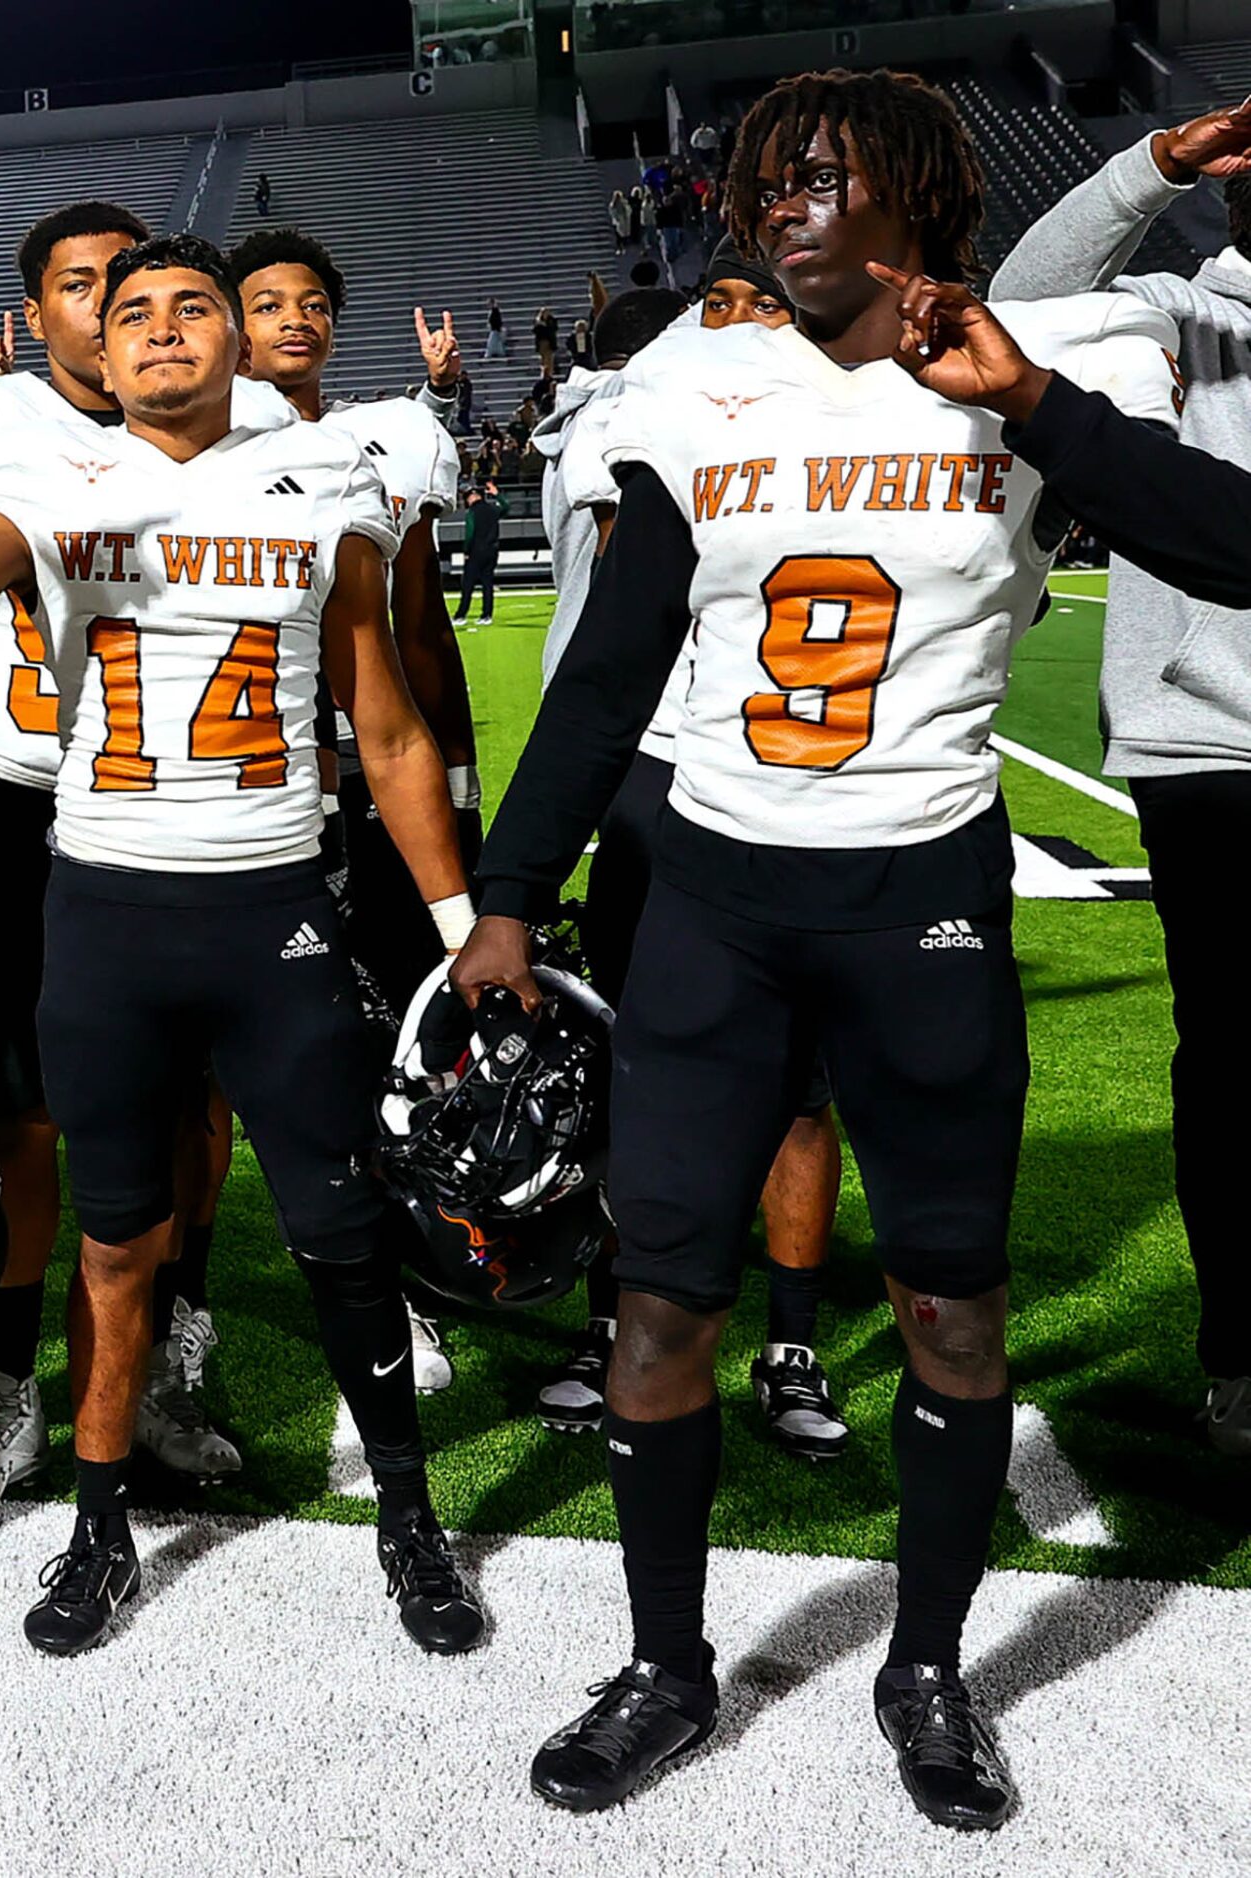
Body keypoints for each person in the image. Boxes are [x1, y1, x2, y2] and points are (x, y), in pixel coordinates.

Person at [457, 68, 1186, 1829]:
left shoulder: (1015, 371)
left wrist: (1040, 412)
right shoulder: (694, 378)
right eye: (763, 181)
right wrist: (506, 890)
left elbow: (1224, 546)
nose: (777, 205)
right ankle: (663, 1662)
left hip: (916, 900)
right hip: (714, 903)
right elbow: (615, 653)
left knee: (947, 1302)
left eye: (820, 179)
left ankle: (923, 1664)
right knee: (652, 1304)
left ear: (919, 196)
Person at [0, 244, 485, 1659]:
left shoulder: (322, 481)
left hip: (272, 905)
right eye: (128, 311)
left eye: (189, 307)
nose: (157, 331)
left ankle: (406, 1516)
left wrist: (456, 928)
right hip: (106, 914)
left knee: (335, 1232)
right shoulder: (53, 481)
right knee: (113, 1241)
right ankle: (95, 1526)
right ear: (97, 343)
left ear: (231, 339)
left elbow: (378, 727)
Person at [0, 202, 298, 1526]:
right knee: (19, 1115)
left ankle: (167, 1361)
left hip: (181, 823)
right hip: (26, 807)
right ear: (38, 317)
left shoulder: (238, 424)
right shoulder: (3, 428)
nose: (102, 309)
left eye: (123, 286)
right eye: (76, 288)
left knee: (193, 1113)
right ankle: (4, 1378)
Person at [530, 269, 849, 1455]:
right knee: (627, 1062)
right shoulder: (630, 414)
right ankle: (618, 1316)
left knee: (798, 1087)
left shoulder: (836, 419)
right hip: (652, 773)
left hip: (790, 783)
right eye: (712, 305)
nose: (738, 325)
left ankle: (792, 1341)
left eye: (761, 305)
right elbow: (637, 593)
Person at [990, 90, 1251, 1452]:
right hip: (1205, 744)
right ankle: (1238, 1354)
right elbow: (1019, 300)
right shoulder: (1172, 311)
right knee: (1230, 1066)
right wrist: (1147, 168)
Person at [235, 228, 482, 1392]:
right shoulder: (191, 454)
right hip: (276, 782)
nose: (294, 318)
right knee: (302, 1044)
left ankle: (432, 1259)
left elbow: (420, 622)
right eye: (267, 301)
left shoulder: (389, 434)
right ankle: (355, 1283)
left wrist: (459, 775)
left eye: (313, 302)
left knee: (408, 1030)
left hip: (383, 774)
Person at [454, 479, 502, 618]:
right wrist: (497, 494)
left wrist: (466, 550)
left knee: (468, 585)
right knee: (487, 584)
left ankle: (461, 614)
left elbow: (470, 533)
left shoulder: (472, 513)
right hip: (492, 551)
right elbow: (506, 507)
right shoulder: (493, 509)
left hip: (475, 552)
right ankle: (487, 614)